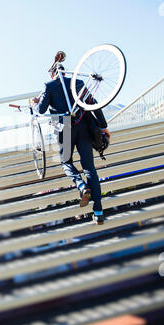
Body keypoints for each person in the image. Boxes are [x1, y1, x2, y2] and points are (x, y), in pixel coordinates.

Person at [31, 54, 111, 225]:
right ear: (64, 72)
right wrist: (103, 126)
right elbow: (93, 103)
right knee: (89, 167)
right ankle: (98, 211)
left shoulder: (49, 86)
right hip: (83, 125)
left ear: (52, 74)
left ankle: (81, 186)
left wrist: (34, 103)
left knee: (66, 162)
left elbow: (42, 109)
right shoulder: (79, 83)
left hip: (65, 128)